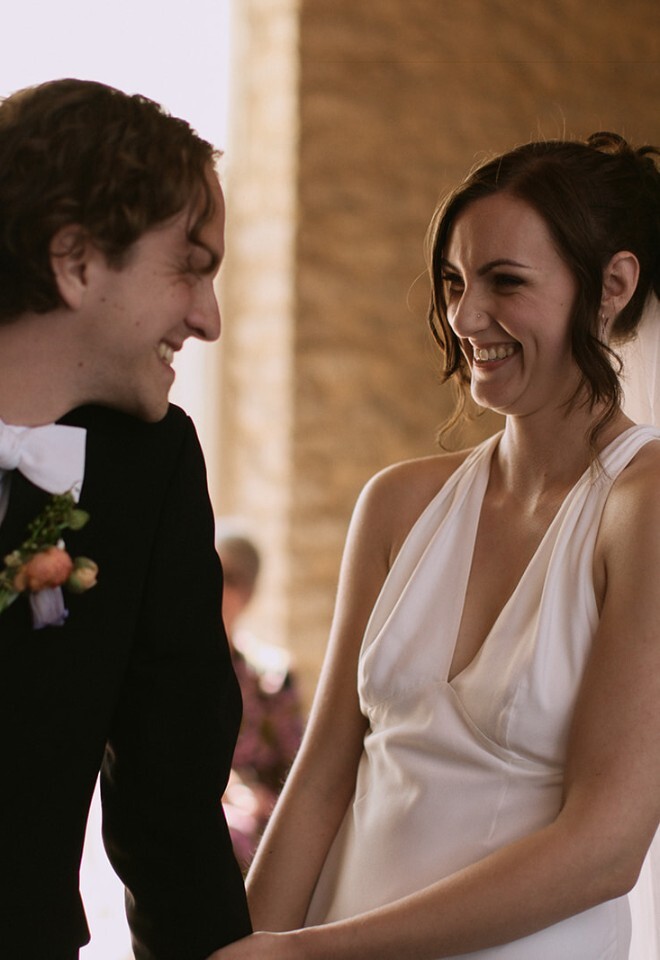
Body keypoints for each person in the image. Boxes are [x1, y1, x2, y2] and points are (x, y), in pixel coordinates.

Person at [210, 132, 660, 959]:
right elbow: (319, 785)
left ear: (614, 287)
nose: (464, 317)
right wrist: (250, 948)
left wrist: (312, 952)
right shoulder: (398, 502)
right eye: (455, 282)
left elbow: (606, 847)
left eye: (506, 282)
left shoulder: (644, 507)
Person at [0, 79, 251, 959]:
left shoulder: (152, 470)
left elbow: (170, 810)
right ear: (74, 260)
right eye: (191, 264)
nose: (208, 320)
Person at [216, 525, 303, 871]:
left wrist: (259, 802)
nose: (215, 589)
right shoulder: (167, 671)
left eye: (230, 579)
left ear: (248, 592)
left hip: (254, 821)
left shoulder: (270, 677)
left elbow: (296, 766)